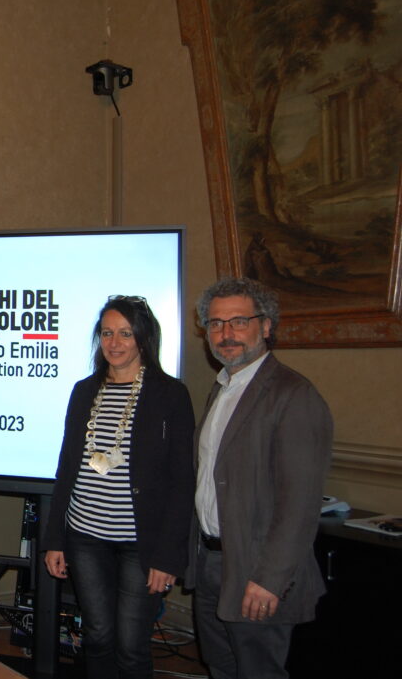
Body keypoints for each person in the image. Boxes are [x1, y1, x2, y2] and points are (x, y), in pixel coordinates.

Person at [43, 295, 195, 679]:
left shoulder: (171, 395)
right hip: (85, 537)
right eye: (107, 333)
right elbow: (67, 469)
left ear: (144, 338)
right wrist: (55, 539)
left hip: (139, 545)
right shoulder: (84, 391)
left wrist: (168, 557)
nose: (114, 343)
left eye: (125, 333)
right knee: (97, 637)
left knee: (131, 646)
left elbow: (182, 482)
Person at [187, 277, 332, 679]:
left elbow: (300, 504)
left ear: (266, 326)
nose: (226, 334)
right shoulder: (222, 389)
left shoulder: (293, 395)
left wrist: (269, 580)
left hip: (256, 573)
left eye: (239, 321)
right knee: (221, 668)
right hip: (212, 562)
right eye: (216, 323)